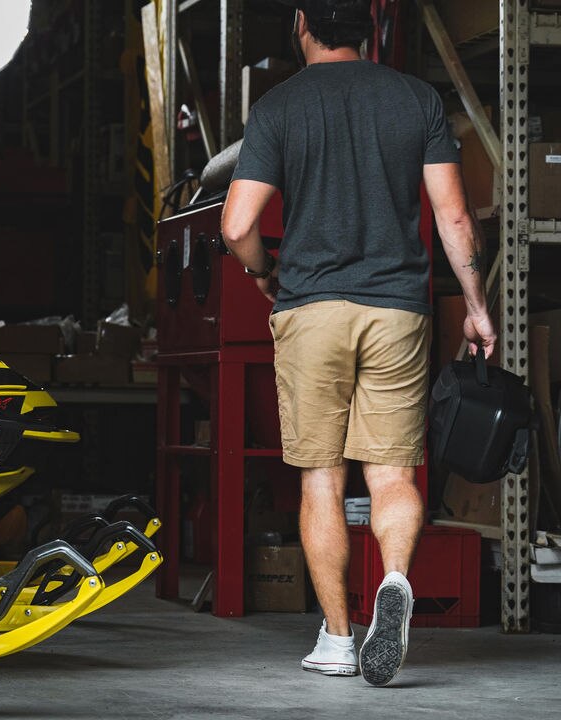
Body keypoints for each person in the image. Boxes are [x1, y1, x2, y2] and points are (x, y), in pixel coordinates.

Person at [219, 0, 496, 687]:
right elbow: (455, 216)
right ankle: (394, 580)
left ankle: (339, 640)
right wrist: (478, 308)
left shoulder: (279, 106)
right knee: (394, 474)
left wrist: (263, 272)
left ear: (302, 24)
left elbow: (236, 224)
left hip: (311, 306)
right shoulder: (415, 99)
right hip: (397, 309)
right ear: (370, 30)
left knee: (321, 478)